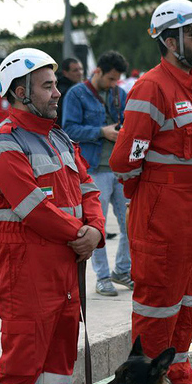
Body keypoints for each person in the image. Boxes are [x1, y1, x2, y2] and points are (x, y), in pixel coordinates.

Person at [0, 48, 105, 384]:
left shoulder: (59, 137)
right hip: (25, 264)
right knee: (24, 357)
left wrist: (96, 231)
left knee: (59, 353)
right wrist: (81, 234)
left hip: (65, 260)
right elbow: (31, 206)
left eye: (56, 85)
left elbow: (88, 188)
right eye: (48, 86)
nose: (57, 93)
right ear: (20, 92)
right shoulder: (2, 142)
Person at [110, 0, 192, 384]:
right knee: (158, 309)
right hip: (163, 217)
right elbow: (125, 160)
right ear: (170, 40)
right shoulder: (152, 87)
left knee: (187, 303)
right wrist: (156, 191)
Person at [62, 50, 133, 296]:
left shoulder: (120, 94)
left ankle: (122, 270)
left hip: (120, 169)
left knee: (131, 224)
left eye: (117, 79)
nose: (115, 84)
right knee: (97, 228)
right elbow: (68, 128)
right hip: (93, 170)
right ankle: (102, 277)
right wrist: (101, 132)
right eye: (111, 78)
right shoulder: (77, 94)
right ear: (98, 71)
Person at [55, 57, 83, 124]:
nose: (80, 73)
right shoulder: (63, 91)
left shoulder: (79, 88)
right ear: (65, 73)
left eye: (81, 69)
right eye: (75, 70)